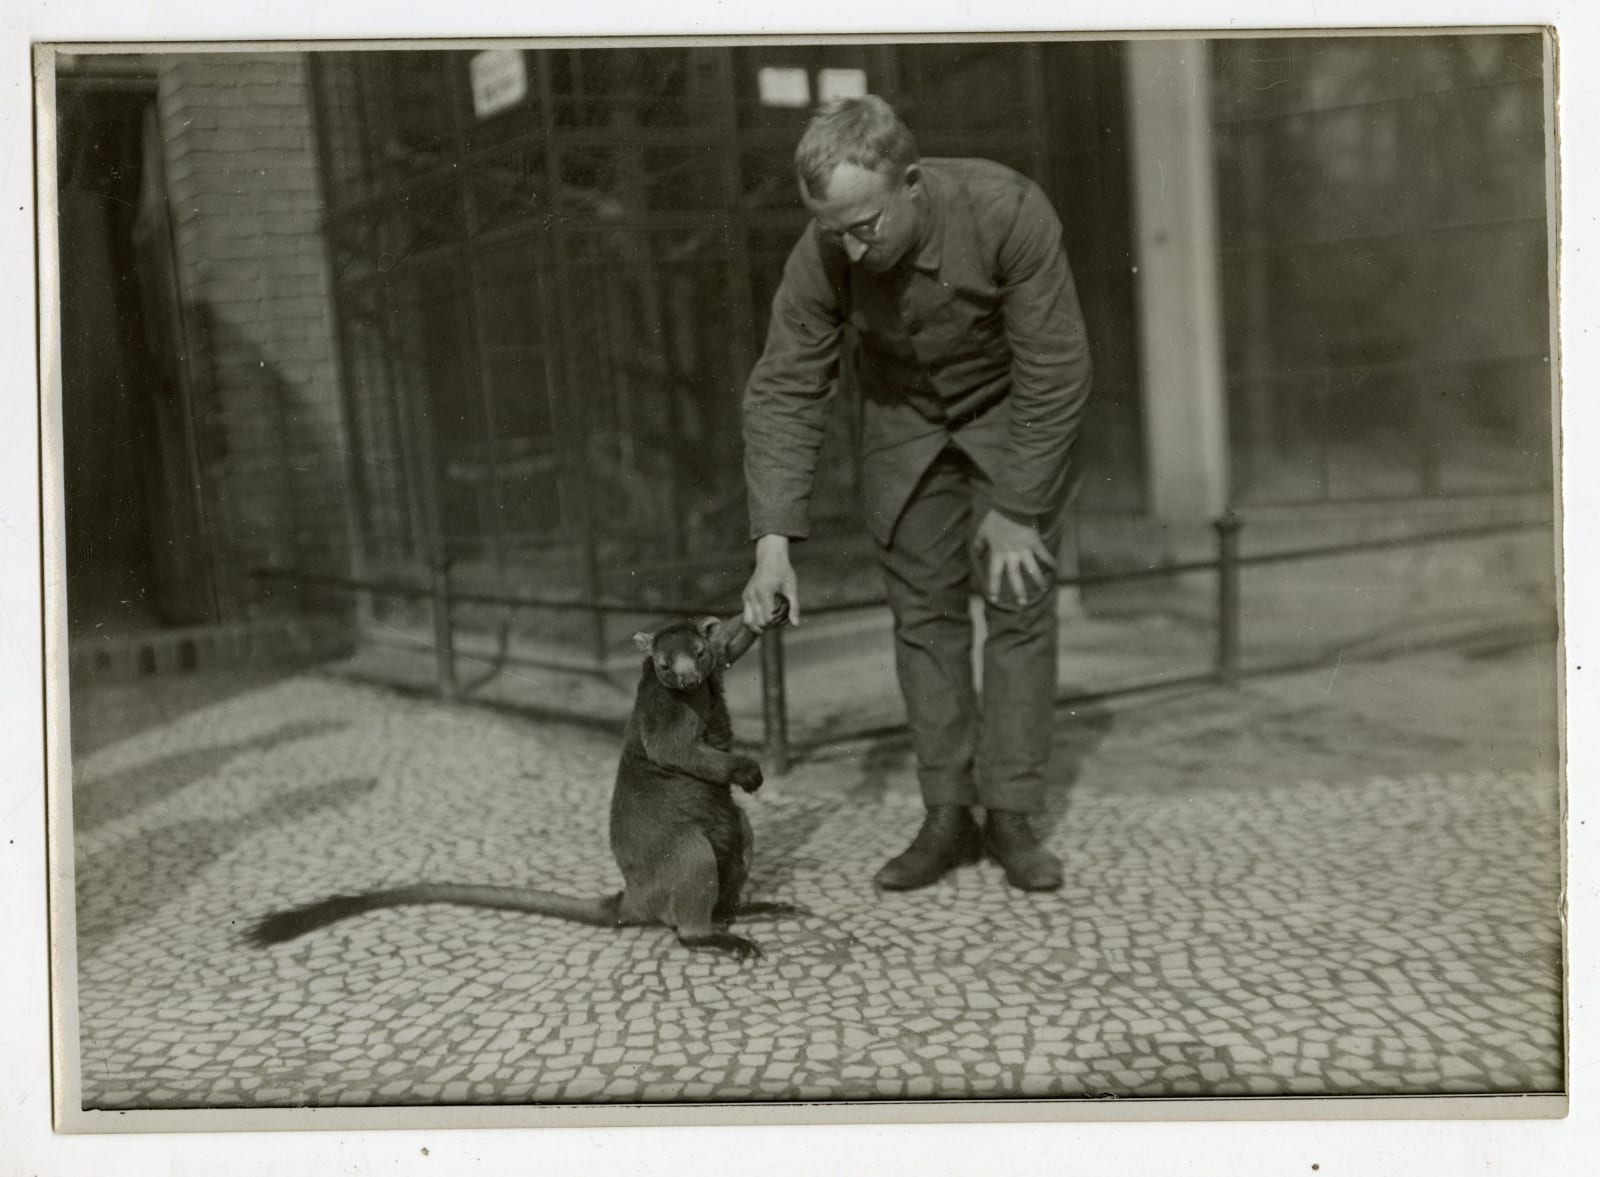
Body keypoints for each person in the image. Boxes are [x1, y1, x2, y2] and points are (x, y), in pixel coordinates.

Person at [739, 95, 1093, 893]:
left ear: (912, 183)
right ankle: (947, 814)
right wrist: (773, 546)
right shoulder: (825, 250)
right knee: (923, 618)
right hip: (904, 426)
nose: (854, 252)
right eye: (835, 232)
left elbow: (1058, 370)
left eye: (866, 226)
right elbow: (786, 388)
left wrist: (1018, 506)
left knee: (1017, 602)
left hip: (1011, 416)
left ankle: (1011, 813)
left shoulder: (1008, 210)